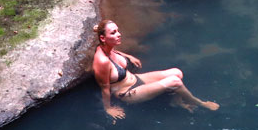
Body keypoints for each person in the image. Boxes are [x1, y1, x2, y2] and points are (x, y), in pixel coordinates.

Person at [92, 19, 220, 119]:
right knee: (175, 82)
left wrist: (129, 56)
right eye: (113, 33)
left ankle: (176, 101)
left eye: (118, 31)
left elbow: (112, 50)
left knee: (177, 72)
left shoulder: (106, 46)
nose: (119, 34)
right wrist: (108, 109)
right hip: (126, 93)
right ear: (103, 38)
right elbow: (104, 87)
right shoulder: (102, 62)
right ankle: (199, 103)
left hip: (135, 79)